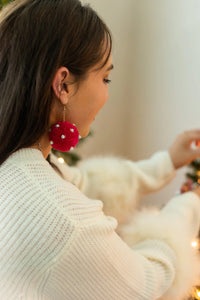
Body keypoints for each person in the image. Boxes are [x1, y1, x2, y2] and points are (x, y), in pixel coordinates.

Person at [0, 0, 200, 299]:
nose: (107, 92)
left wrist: (166, 162)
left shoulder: (17, 164)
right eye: (105, 77)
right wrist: (188, 205)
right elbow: (146, 283)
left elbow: (81, 183)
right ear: (63, 85)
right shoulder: (65, 220)